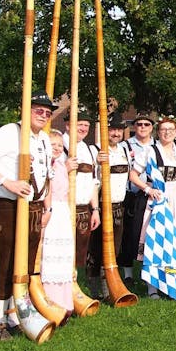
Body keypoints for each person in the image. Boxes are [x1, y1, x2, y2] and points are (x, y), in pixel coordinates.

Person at [0, 92, 57, 341]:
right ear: (26, 110)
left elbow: (46, 176)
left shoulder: (42, 139)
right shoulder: (9, 132)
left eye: (48, 112)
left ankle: (13, 315)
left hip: (34, 209)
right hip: (8, 206)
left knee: (26, 265)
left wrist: (46, 208)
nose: (43, 115)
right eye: (38, 110)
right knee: (6, 262)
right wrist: (6, 182)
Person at [129, 115, 176, 300]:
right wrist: (148, 189)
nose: (167, 133)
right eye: (163, 129)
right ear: (158, 131)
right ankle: (152, 288)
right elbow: (133, 175)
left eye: (171, 130)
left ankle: (172, 283)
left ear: (175, 132)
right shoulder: (150, 151)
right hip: (158, 199)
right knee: (157, 240)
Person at [89, 112, 130, 299]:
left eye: (119, 130)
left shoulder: (123, 150)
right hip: (100, 206)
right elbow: (89, 180)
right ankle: (95, 289)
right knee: (96, 249)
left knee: (114, 247)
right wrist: (97, 163)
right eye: (112, 129)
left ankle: (110, 286)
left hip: (119, 206)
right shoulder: (94, 149)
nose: (115, 133)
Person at [118, 112, 156, 282]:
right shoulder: (125, 146)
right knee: (129, 235)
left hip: (153, 197)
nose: (142, 127)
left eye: (146, 125)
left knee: (150, 235)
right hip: (133, 195)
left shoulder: (158, 145)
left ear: (152, 128)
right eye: (139, 124)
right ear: (134, 126)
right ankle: (127, 274)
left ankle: (148, 272)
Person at [41, 130, 76, 314]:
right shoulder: (44, 166)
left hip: (63, 212)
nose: (56, 148)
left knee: (63, 254)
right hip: (50, 211)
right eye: (52, 145)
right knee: (49, 254)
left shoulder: (62, 165)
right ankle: (48, 298)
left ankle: (64, 301)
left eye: (59, 145)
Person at [68, 110, 101, 286]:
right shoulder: (60, 144)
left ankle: (72, 287)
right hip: (65, 208)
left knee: (79, 251)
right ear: (68, 125)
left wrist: (95, 209)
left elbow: (93, 182)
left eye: (87, 125)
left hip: (84, 209)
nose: (83, 128)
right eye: (79, 124)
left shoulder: (88, 149)